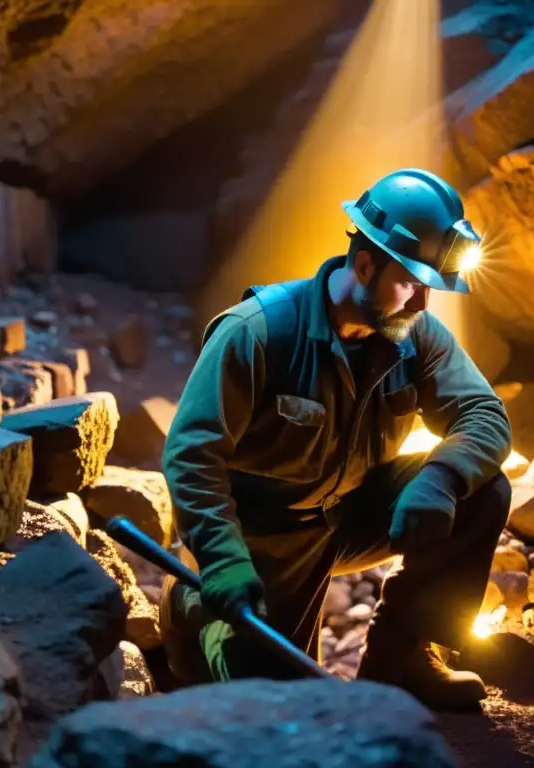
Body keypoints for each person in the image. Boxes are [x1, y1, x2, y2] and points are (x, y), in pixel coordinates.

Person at [158, 167, 513, 710]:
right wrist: (224, 560)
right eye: (413, 284)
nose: (422, 305)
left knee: (482, 491)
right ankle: (195, 611)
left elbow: (483, 413)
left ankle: (401, 660)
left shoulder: (413, 333)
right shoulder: (258, 331)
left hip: (348, 517)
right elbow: (191, 455)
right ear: (365, 263)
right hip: (261, 542)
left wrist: (439, 479)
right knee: (280, 715)